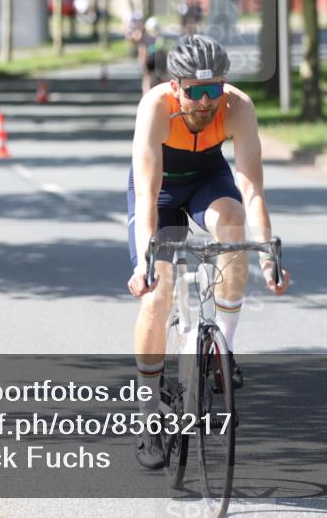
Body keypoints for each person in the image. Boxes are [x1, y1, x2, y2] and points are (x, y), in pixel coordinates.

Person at [125, 34, 291, 469]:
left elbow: (252, 189)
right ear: (175, 86)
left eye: (213, 89)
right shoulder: (155, 108)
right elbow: (146, 197)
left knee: (233, 225)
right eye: (195, 91)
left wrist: (268, 257)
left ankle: (223, 351)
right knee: (157, 296)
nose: (204, 102)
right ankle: (148, 420)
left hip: (207, 181)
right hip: (160, 194)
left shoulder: (238, 107)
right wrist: (145, 264)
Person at [139, 17, 166, 94]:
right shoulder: (160, 38)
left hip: (150, 59)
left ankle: (146, 94)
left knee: (147, 78)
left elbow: (142, 51)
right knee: (162, 77)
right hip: (159, 60)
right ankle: (163, 94)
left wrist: (142, 63)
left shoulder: (145, 38)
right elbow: (164, 50)